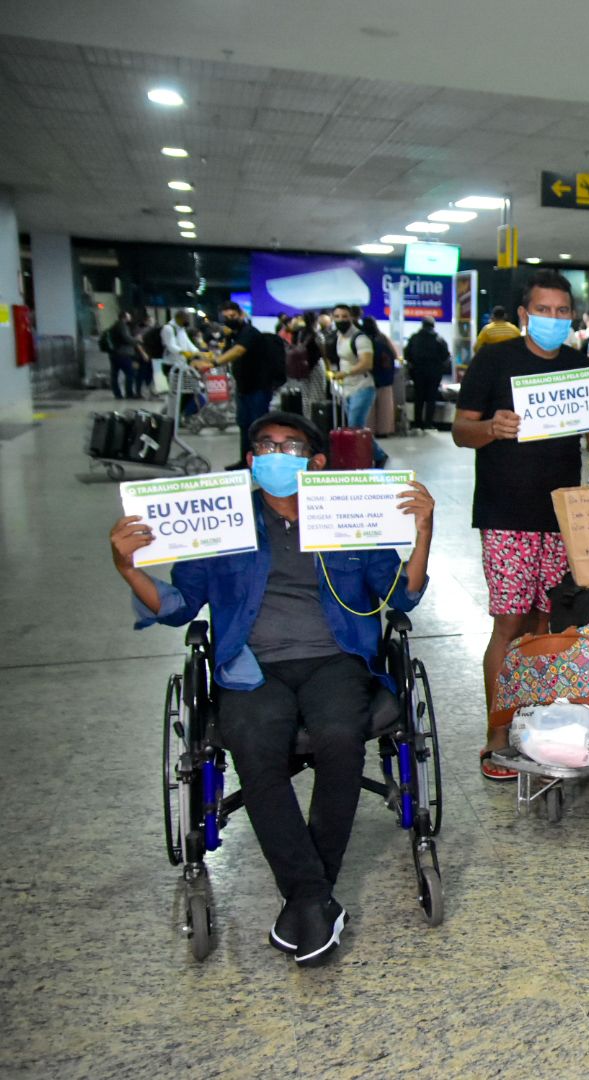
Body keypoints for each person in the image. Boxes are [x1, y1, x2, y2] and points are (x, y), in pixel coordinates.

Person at [109, 410, 435, 966]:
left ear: (315, 462)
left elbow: (399, 599)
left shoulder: (344, 514)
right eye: (265, 445)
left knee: (339, 738)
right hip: (250, 666)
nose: (275, 455)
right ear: (252, 459)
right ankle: (313, 898)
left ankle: (306, 898)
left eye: (289, 447)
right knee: (255, 745)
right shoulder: (225, 525)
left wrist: (423, 531)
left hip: (336, 658)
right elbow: (178, 606)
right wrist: (126, 563)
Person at [452, 272, 589, 781]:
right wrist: (490, 428)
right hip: (506, 514)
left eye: (562, 312)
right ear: (525, 314)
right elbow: (460, 430)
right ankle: (496, 732)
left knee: (549, 623)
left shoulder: (581, 368)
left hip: (561, 516)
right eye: (543, 310)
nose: (553, 319)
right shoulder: (495, 361)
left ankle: (538, 721)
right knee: (509, 624)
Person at [210, 300, 285, 461]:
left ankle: (262, 461)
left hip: (259, 387)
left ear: (241, 314)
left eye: (233, 316)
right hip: (243, 387)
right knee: (244, 425)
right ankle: (245, 460)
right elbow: (228, 352)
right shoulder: (233, 335)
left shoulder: (249, 332)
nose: (230, 319)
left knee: (258, 427)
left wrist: (213, 363)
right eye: (226, 317)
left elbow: (237, 352)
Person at [328, 305, 386, 465]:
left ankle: (377, 455)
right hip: (346, 388)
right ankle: (367, 455)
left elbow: (367, 363)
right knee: (354, 426)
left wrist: (345, 373)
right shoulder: (339, 337)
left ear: (352, 317)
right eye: (337, 316)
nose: (341, 320)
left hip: (363, 386)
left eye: (344, 316)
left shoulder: (360, 338)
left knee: (355, 425)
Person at [405, 316, 451, 432]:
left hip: (418, 372)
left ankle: (417, 423)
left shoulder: (414, 338)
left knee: (418, 397)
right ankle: (428, 423)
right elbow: (446, 356)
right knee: (431, 398)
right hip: (434, 373)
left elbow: (407, 354)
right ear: (433, 326)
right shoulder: (439, 339)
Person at [360, 316, 398, 437]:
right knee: (385, 404)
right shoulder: (383, 338)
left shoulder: (362, 340)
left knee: (369, 405)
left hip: (368, 376)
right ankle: (384, 430)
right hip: (385, 377)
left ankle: (369, 429)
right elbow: (394, 354)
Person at [106, 310, 142, 400]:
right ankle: (129, 393)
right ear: (124, 317)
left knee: (115, 374)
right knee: (130, 373)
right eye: (129, 316)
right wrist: (137, 340)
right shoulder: (122, 326)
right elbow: (127, 338)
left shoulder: (114, 326)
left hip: (113, 354)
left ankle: (117, 394)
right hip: (123, 354)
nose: (130, 317)